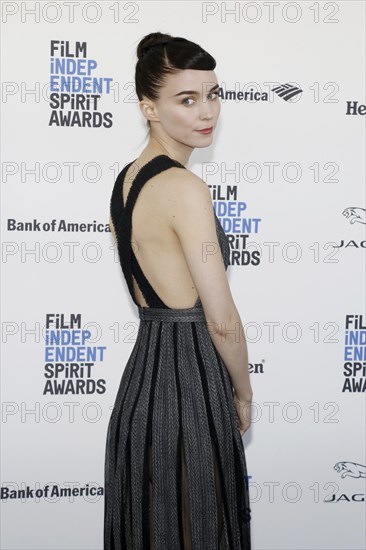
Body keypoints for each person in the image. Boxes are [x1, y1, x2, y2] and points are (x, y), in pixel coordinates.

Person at [104, 31, 253, 550]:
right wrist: (244, 391)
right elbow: (221, 320)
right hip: (190, 391)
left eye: (213, 94)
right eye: (186, 99)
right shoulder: (186, 189)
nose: (206, 110)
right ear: (148, 107)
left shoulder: (126, 181)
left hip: (140, 391)